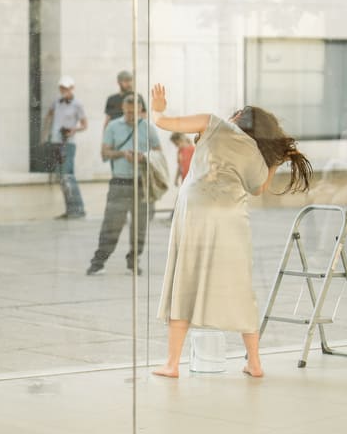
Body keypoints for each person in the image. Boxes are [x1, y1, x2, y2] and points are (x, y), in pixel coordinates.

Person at [148, 84, 312, 378]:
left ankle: (172, 364)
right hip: (231, 217)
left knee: (185, 277)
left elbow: (163, 122)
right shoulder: (255, 154)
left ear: (237, 116)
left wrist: (158, 106)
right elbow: (258, 189)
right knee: (239, 285)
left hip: (196, 210)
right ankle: (255, 363)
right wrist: (274, 163)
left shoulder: (212, 123)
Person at [87, 93, 159, 275]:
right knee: (111, 224)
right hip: (119, 182)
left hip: (142, 183)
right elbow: (104, 153)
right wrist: (122, 154)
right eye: (127, 113)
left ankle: (134, 261)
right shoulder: (112, 126)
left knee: (140, 226)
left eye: (134, 113)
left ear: (141, 110)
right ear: (123, 110)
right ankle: (98, 262)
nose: (130, 117)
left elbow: (159, 154)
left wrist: (143, 157)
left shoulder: (149, 128)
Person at [42, 76, 88, 219]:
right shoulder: (56, 102)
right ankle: (70, 210)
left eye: (67, 88)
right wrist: (46, 134)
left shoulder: (78, 105)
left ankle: (78, 209)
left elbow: (85, 125)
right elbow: (48, 116)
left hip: (68, 144)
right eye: (62, 88)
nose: (64, 90)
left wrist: (73, 130)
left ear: (72, 88)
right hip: (55, 142)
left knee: (68, 176)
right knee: (61, 177)